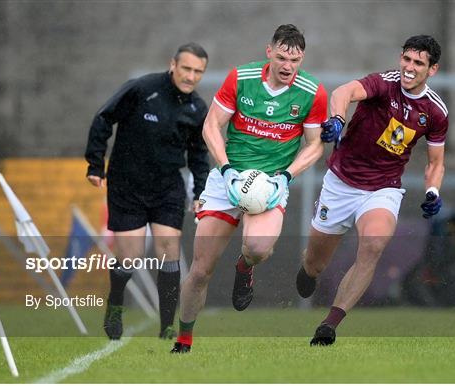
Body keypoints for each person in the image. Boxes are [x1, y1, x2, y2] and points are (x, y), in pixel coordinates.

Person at [171, 24, 327, 353]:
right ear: (269, 52)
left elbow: (314, 146)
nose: (288, 66)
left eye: (295, 60)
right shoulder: (241, 78)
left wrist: (284, 177)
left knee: (257, 248)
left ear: (302, 60)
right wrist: (226, 170)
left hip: (270, 185)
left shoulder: (312, 92)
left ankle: (244, 268)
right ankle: (184, 339)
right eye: (282, 57)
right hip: (229, 180)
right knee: (201, 270)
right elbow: (212, 125)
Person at [296, 35, 448, 345]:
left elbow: (435, 163)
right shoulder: (383, 83)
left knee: (374, 245)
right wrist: (338, 119)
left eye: (418, 63)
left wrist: (432, 192)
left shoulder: (435, 112)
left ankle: (330, 324)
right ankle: (308, 271)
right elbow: (344, 91)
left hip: (383, 188)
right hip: (340, 183)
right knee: (315, 263)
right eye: (406, 59)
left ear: (432, 70)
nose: (409, 67)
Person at [84, 43, 210, 340]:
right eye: (187, 68)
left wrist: (201, 191)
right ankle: (115, 305)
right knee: (131, 256)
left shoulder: (197, 109)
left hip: (167, 187)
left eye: (198, 72)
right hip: (127, 184)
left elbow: (199, 155)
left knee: (169, 251)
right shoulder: (142, 89)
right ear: (173, 65)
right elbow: (104, 117)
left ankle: (167, 326)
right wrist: (94, 164)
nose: (191, 76)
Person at [402, 211, 455, 307]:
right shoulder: (435, 238)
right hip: (434, 267)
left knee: (446, 287)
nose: (452, 228)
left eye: (454, 225)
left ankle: (449, 304)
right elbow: (434, 254)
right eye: (450, 225)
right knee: (429, 286)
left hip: (445, 269)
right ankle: (431, 305)